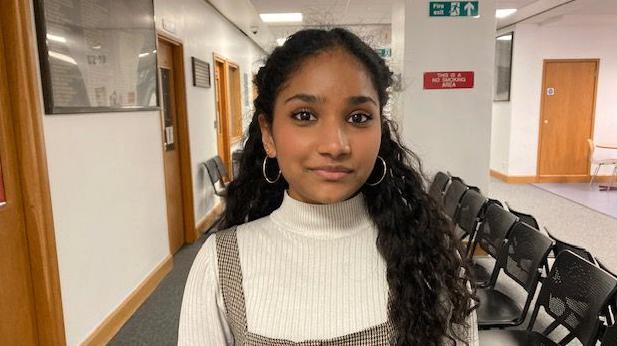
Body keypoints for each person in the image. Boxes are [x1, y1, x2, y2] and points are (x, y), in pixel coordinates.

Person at [178, 28, 478, 345]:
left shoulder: (431, 259)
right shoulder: (221, 266)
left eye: (359, 117)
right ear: (268, 133)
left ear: (381, 128)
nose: (335, 145)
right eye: (304, 115)